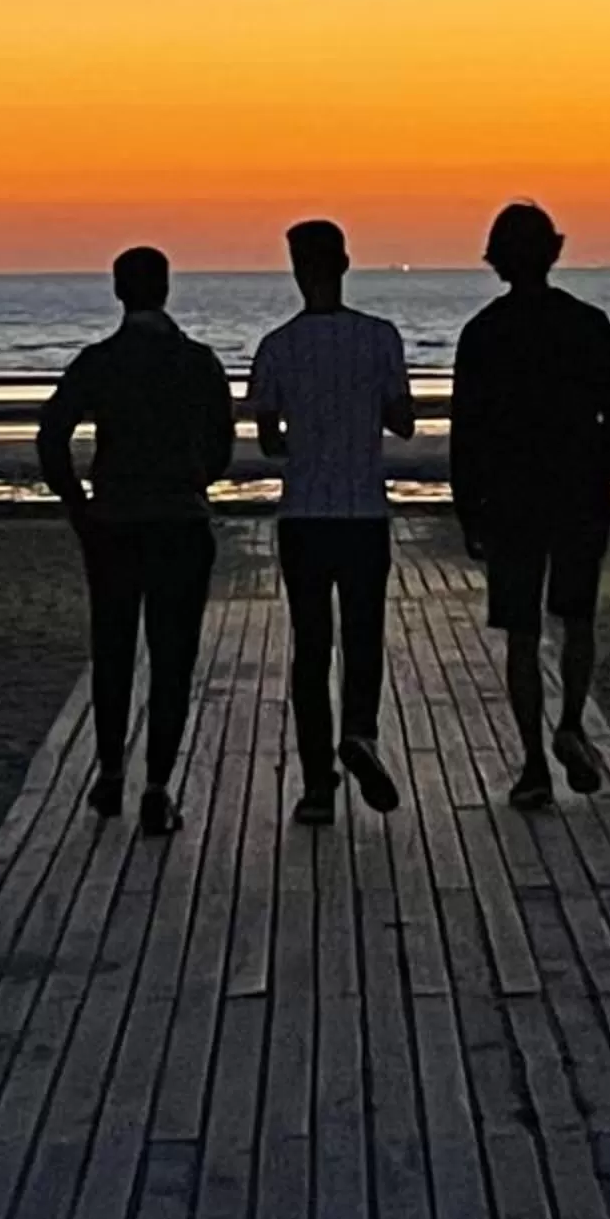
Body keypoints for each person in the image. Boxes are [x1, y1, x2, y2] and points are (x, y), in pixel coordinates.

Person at [35, 246, 236, 838]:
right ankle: (157, 787)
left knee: (114, 649)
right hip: (179, 519)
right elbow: (222, 447)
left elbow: (52, 438)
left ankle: (111, 770)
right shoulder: (198, 362)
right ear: (167, 289)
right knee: (173, 657)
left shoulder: (99, 361)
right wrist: (194, 476)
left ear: (119, 292)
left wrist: (78, 504)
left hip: (114, 522)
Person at [449, 200, 610, 810]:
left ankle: (532, 762)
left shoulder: (482, 333)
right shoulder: (589, 324)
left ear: (497, 260)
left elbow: (466, 430)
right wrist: (598, 470)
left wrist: (467, 507)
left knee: (521, 633)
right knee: (577, 618)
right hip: (577, 490)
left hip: (510, 497)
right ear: (553, 252)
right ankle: (571, 722)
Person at [247, 217, 415, 825]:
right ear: (344, 264)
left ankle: (318, 785)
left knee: (311, 646)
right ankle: (361, 733)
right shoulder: (380, 338)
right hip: (363, 510)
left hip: (304, 512)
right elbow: (403, 420)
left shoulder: (277, 346)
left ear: (296, 270)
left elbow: (268, 441)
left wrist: (305, 434)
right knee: (364, 634)